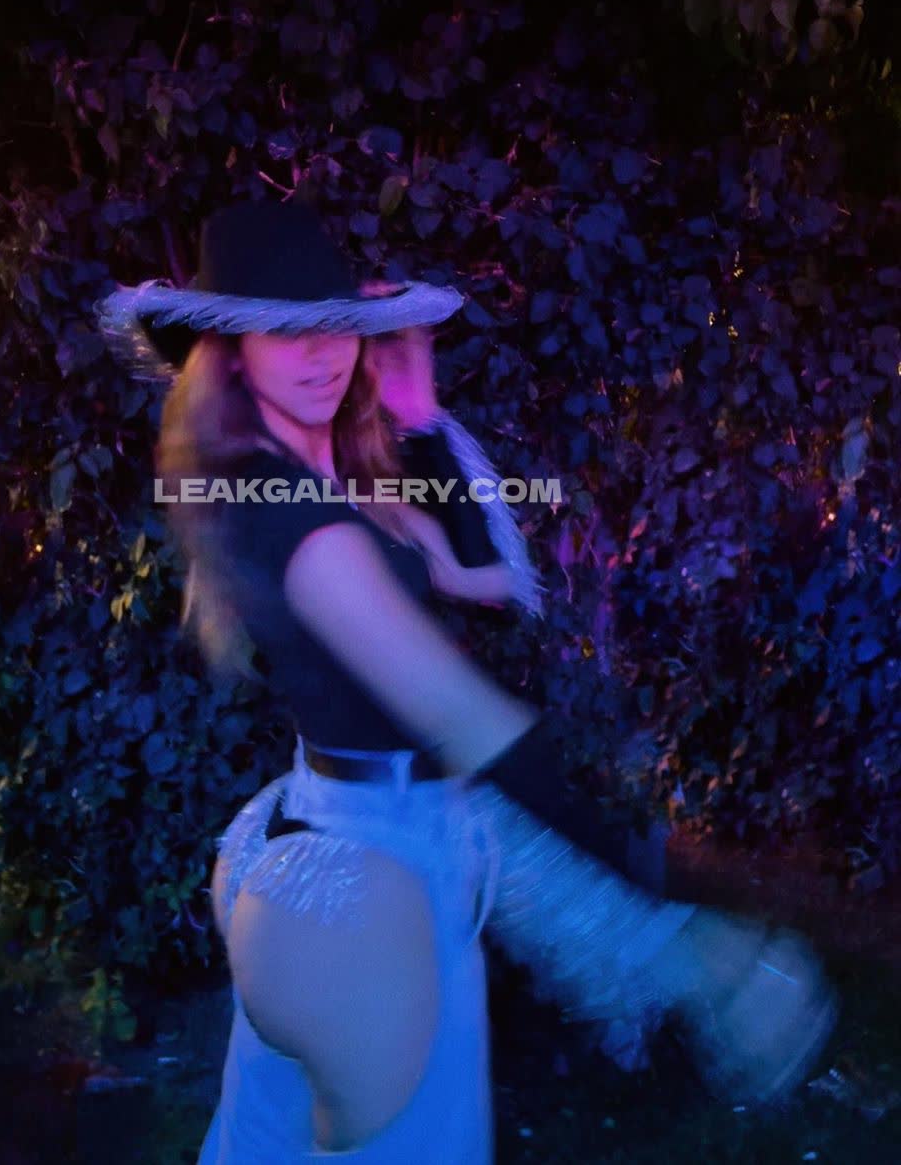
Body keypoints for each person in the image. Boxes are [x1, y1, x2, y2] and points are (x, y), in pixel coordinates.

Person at [95, 198, 837, 1163]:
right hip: (365, 885)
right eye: (283, 330)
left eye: (335, 326)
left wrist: (419, 416)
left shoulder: (305, 481)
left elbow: (488, 576)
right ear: (232, 351)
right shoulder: (303, 526)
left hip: (358, 840)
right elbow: (467, 721)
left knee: (265, 1141)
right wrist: (668, 920)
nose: (321, 354)